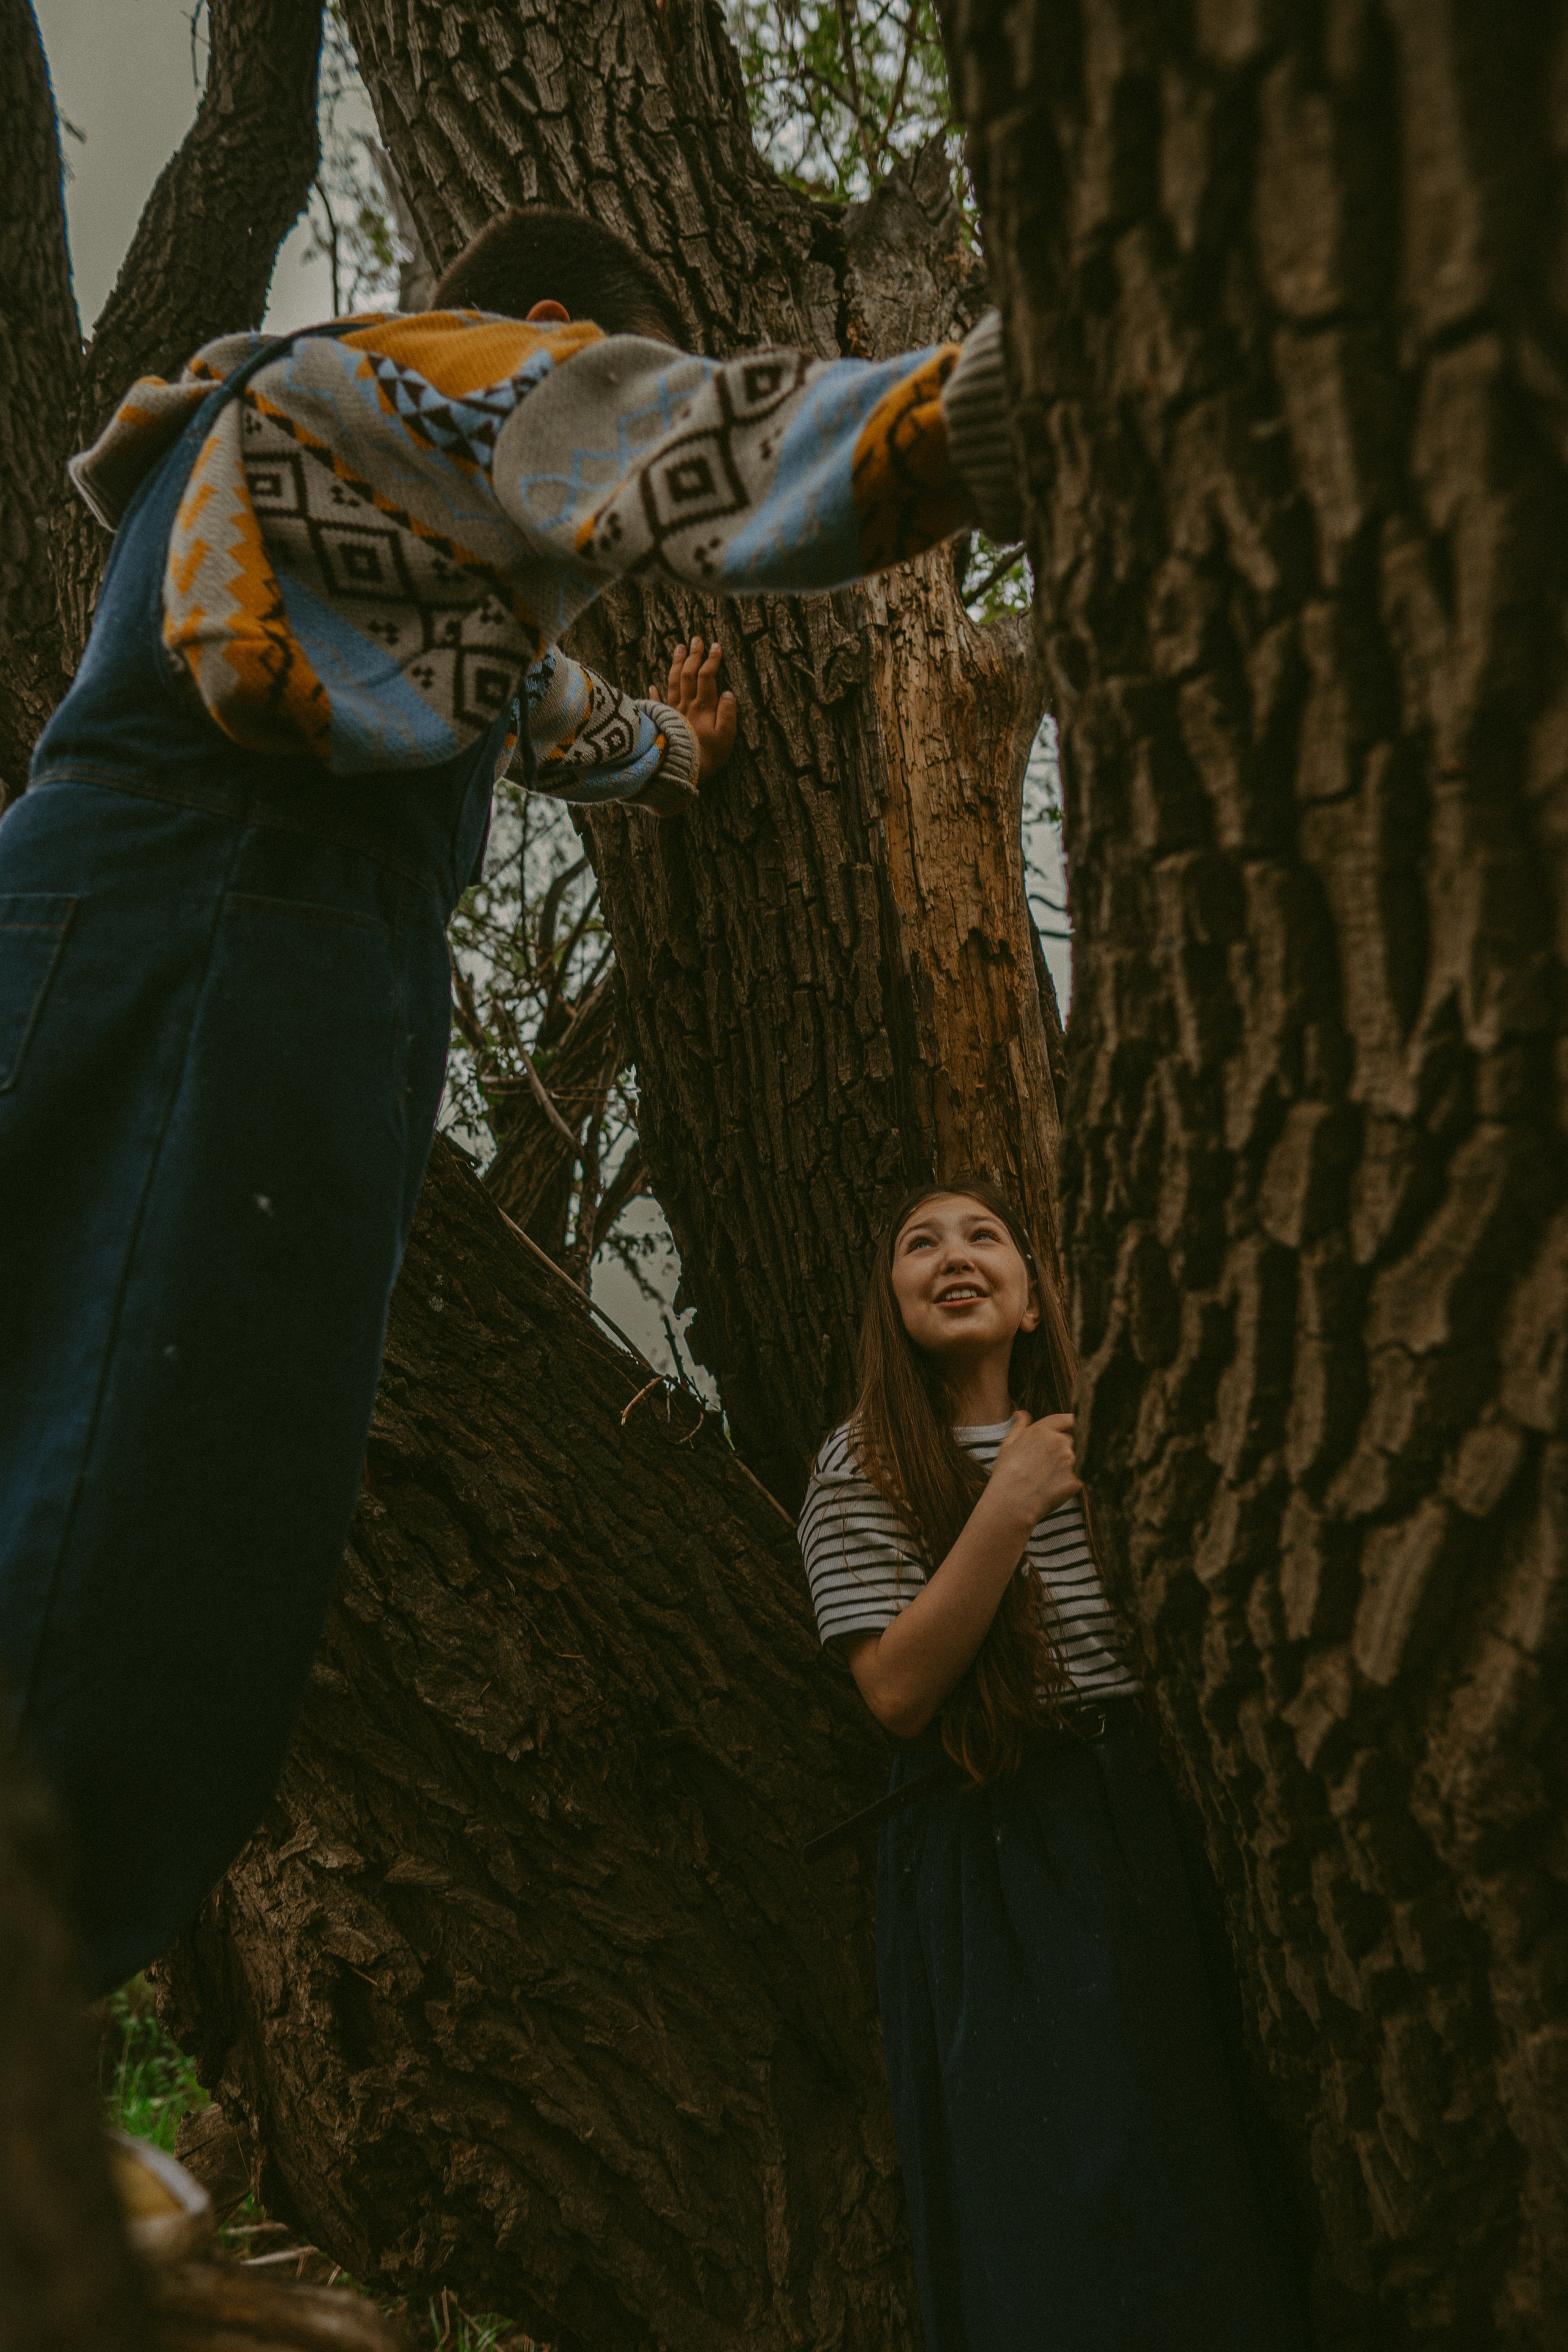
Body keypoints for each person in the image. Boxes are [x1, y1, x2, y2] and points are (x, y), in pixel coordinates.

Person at [0, 205, 1023, 1995]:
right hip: (242, 941)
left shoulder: (317, 473)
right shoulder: (450, 376)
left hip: (74, 918)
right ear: (545, 326)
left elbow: (545, 708)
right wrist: (1016, 403)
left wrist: (678, 749)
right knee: (144, 1520)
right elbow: (703, 448)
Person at [799, 1180, 1310, 2352]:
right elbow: (894, 1688)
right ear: (891, 1300)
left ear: (1033, 1300)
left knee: (1187, 2153)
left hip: (1133, 1811)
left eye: (986, 1236)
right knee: (1048, 2195)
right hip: (991, 1841)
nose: (955, 1256)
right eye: (920, 1244)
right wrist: (1009, 1502)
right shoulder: (863, 1463)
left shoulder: (1105, 1433)